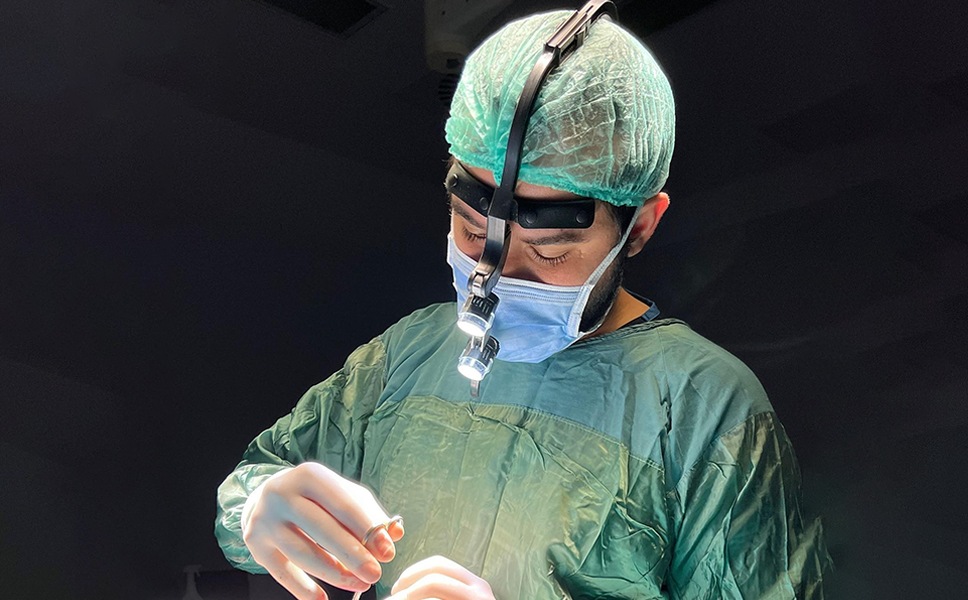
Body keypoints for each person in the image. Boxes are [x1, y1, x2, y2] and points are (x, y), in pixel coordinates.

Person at [215, 8, 833, 600]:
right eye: (470, 229)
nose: (494, 278)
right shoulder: (411, 350)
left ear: (640, 227)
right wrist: (261, 504)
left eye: (549, 251)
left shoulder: (703, 409)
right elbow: (258, 479)